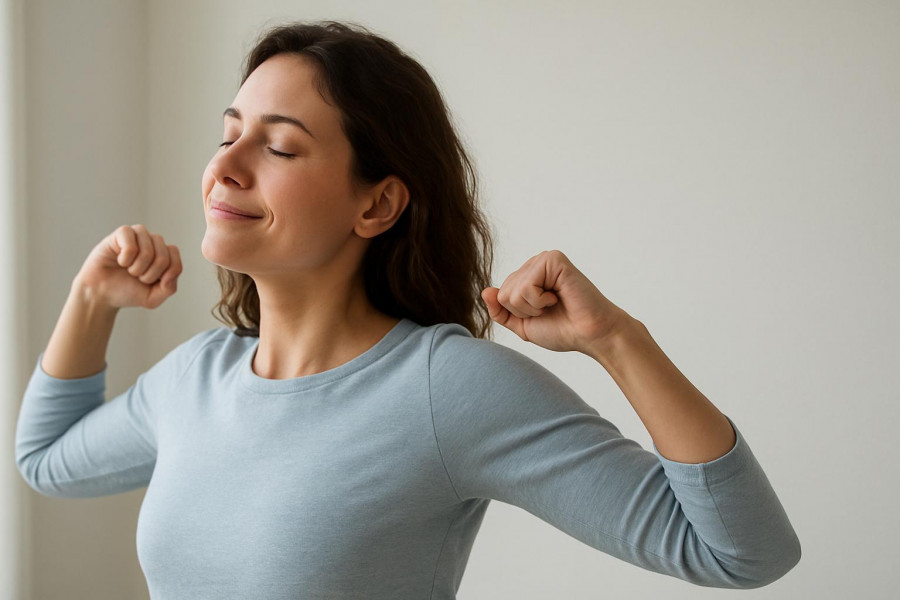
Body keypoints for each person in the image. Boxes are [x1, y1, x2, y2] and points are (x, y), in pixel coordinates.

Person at [15, 20, 800, 599]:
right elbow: (44, 461)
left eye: (279, 147)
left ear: (378, 204)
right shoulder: (196, 377)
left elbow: (742, 552)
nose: (226, 165)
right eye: (228, 135)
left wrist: (618, 340)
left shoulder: (446, 389)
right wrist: (92, 302)